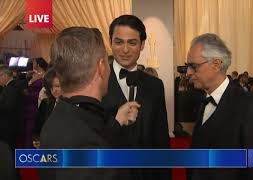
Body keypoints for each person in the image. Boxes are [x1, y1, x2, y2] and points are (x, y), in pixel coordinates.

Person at [39, 27, 140, 180]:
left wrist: (117, 122)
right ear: (101, 67)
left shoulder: (61, 115)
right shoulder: (87, 146)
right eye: (108, 61)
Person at [185, 33, 253, 180]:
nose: (188, 72)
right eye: (187, 66)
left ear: (216, 64)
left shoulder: (249, 107)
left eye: (193, 66)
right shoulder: (204, 101)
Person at [101, 15, 171, 180]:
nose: (125, 50)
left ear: (142, 45)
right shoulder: (96, 81)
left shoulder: (155, 85)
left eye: (132, 42)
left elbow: (160, 140)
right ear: (110, 42)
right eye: (119, 42)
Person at [32, 68, 62, 149]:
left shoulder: (72, 105)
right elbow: (39, 125)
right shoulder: (46, 103)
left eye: (57, 86)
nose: (54, 90)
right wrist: (37, 139)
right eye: (51, 87)